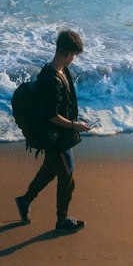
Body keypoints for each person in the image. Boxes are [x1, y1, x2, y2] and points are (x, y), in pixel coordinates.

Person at [15, 29, 91, 233]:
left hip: (60, 135)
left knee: (50, 170)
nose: (74, 59)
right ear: (66, 54)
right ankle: (62, 221)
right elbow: (52, 116)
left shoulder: (61, 71)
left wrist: (75, 121)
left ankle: (24, 200)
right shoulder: (50, 80)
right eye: (74, 55)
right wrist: (76, 126)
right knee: (67, 177)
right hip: (55, 138)